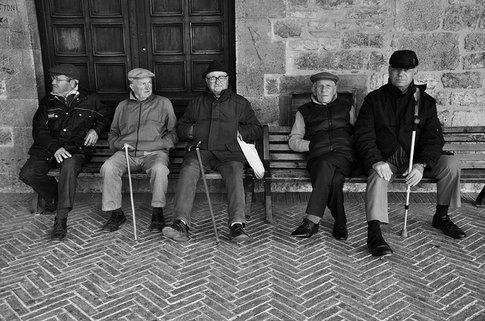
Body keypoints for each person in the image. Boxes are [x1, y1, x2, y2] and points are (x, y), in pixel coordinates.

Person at [354, 50, 466, 257]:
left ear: (414, 71)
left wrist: (421, 164)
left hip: (416, 157)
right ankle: (374, 233)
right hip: (386, 159)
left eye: (406, 70)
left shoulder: (425, 102)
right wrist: (376, 161)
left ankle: (441, 216)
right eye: (396, 69)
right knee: (378, 177)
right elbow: (363, 135)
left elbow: (434, 138)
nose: (401, 74)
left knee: (451, 164)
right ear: (389, 70)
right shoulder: (374, 100)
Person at [162, 60, 262, 243]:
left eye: (221, 77)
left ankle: (237, 225)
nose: (217, 81)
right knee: (188, 169)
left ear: (228, 79)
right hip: (202, 150)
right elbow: (182, 127)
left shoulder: (240, 103)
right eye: (212, 78)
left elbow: (256, 128)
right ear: (206, 82)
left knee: (235, 172)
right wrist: (190, 131)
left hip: (229, 153)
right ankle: (180, 223)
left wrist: (241, 132)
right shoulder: (197, 102)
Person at [19, 64, 111, 240]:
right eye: (52, 79)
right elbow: (39, 131)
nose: (53, 82)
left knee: (68, 167)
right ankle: (54, 198)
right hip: (49, 149)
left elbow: (106, 116)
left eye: (58, 80)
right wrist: (55, 148)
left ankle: (61, 220)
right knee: (27, 173)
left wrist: (96, 130)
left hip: (76, 150)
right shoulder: (48, 102)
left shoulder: (90, 99)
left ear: (73, 82)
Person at [100, 68, 177, 232]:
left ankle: (158, 212)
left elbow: (173, 132)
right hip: (126, 153)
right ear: (132, 85)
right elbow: (113, 133)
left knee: (160, 170)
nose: (148, 87)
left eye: (149, 83)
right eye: (143, 84)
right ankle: (116, 213)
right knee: (108, 167)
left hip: (154, 153)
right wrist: (120, 145)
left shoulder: (163, 103)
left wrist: (162, 145)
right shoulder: (123, 106)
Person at [288, 72, 355, 240]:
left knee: (327, 165)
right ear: (314, 89)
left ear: (335, 89)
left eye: (328, 86)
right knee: (335, 180)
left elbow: (356, 133)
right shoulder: (304, 111)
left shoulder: (347, 107)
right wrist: (312, 145)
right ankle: (340, 222)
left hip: (343, 155)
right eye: (320, 86)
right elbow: (294, 140)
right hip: (318, 158)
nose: (324, 90)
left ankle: (312, 221)